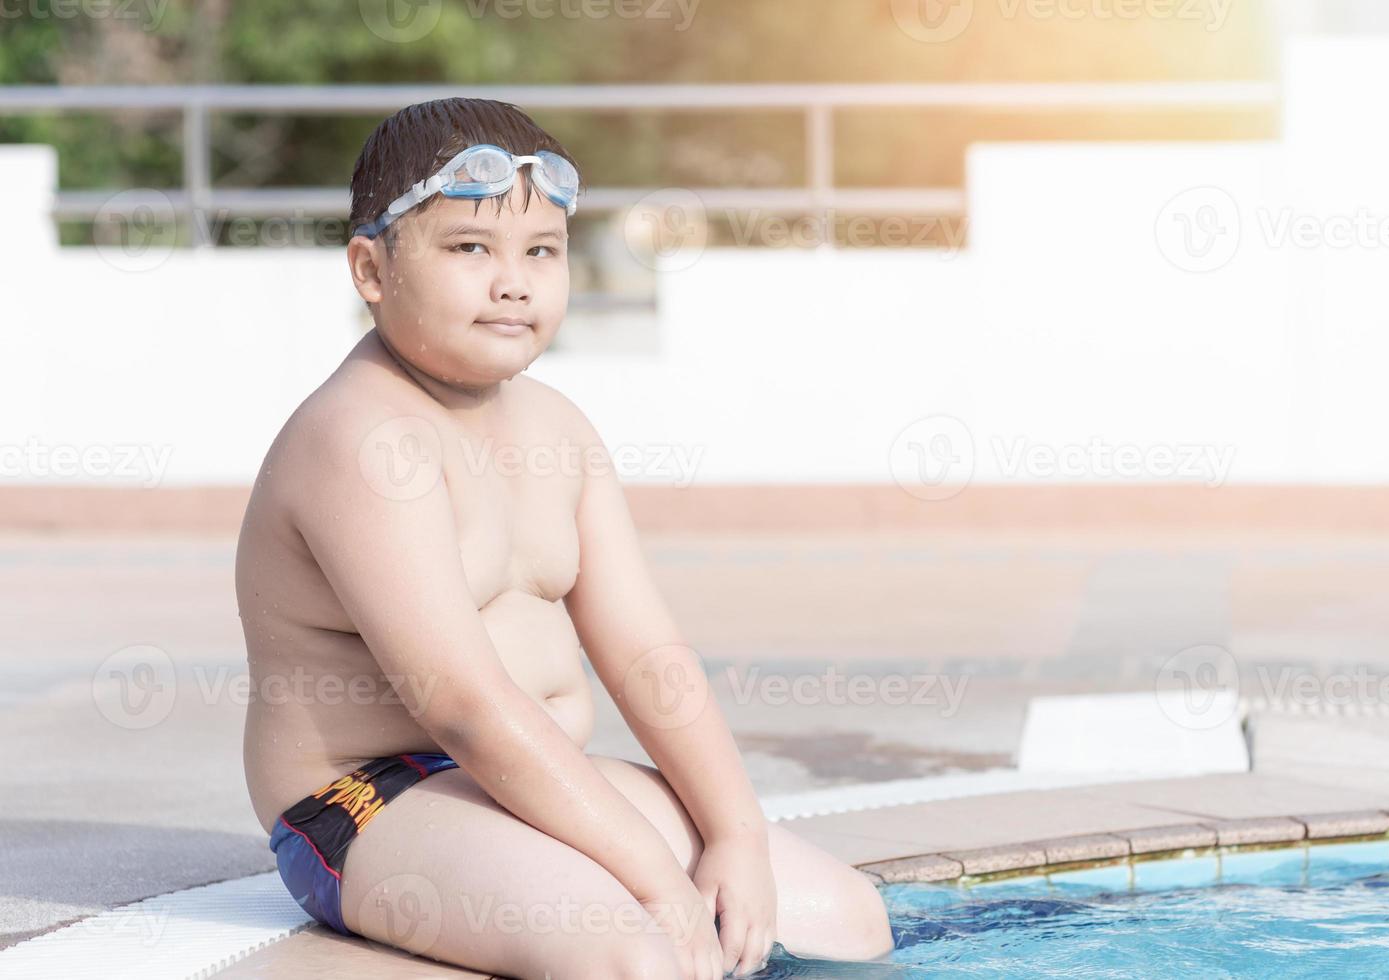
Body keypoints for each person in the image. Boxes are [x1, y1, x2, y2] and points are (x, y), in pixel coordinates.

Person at [236, 97, 895, 980]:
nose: (514, 282)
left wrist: (736, 834)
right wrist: (654, 875)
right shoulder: (361, 439)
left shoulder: (559, 429)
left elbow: (646, 653)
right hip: (370, 799)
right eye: (471, 248)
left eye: (540, 251)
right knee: (636, 954)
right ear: (371, 270)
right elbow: (462, 702)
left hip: (531, 775)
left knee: (847, 922)